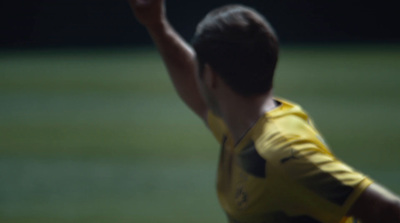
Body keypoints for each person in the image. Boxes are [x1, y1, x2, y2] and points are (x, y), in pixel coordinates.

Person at [128, 0, 400, 222]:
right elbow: (197, 91)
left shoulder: (281, 156)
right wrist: (157, 25)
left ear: (210, 77)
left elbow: (387, 210)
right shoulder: (242, 126)